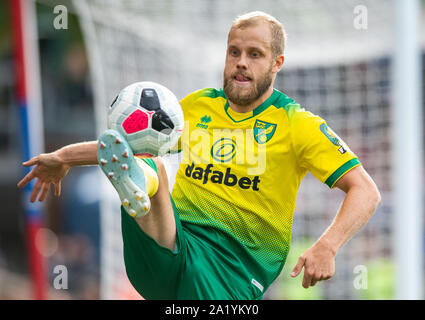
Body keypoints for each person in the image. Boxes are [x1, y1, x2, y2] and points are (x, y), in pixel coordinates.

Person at [17, 11, 381, 300]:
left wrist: (327, 246)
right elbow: (126, 146)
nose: (241, 62)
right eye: (234, 52)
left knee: (153, 165)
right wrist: (63, 157)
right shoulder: (197, 105)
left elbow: (365, 190)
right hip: (172, 244)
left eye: (255, 54)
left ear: (277, 63)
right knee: (151, 158)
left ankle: (137, 184)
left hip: (234, 266)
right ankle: (135, 184)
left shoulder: (297, 124)